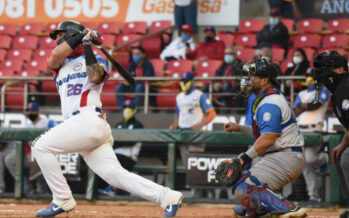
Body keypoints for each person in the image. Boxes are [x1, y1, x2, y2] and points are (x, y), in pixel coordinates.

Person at [32, 20, 183, 217]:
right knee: (115, 175)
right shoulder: (59, 64)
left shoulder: (97, 59)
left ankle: (62, 199)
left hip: (88, 119)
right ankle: (168, 197)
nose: (56, 41)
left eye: (60, 36)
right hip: (82, 126)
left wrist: (86, 45)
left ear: (70, 35)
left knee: (40, 146)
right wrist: (84, 35)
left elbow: (95, 77)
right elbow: (55, 56)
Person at [220, 58, 307, 217]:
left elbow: (268, 138)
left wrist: (241, 159)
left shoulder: (270, 102)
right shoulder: (269, 98)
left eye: (251, 76)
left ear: (265, 80)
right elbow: (264, 132)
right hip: (285, 155)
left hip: (285, 156)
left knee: (244, 187)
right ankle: (258, 208)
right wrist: (239, 128)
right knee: (246, 201)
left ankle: (287, 208)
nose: (246, 80)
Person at [312, 51, 349, 218]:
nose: (323, 73)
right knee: (344, 156)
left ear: (340, 69)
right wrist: (342, 145)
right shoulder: (341, 89)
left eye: (328, 68)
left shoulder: (345, 89)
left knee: (347, 158)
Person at [169, 71, 216, 197]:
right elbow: (178, 112)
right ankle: (197, 192)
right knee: (187, 165)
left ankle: (201, 193)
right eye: (182, 81)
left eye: (186, 81)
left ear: (192, 81)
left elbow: (212, 113)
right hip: (182, 132)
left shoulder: (199, 95)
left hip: (196, 134)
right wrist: (175, 124)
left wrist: (200, 125)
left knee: (196, 165)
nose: (184, 83)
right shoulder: (179, 96)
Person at [293, 69, 330, 202]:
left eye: (311, 76)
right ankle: (314, 196)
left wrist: (302, 106)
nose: (309, 78)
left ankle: (324, 158)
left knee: (310, 160)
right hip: (301, 130)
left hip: (315, 129)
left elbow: (314, 105)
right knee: (305, 165)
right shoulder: (302, 93)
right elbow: (296, 110)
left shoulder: (324, 90)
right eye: (308, 76)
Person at [4, 102, 54, 195]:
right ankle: (27, 189)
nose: (30, 113)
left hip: (45, 154)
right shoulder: (28, 124)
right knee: (10, 160)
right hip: (30, 155)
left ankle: (42, 192)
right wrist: (27, 153)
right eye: (28, 111)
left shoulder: (47, 122)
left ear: (38, 111)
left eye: (32, 111)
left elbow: (57, 134)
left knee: (40, 163)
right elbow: (25, 142)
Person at [98, 100, 143, 196]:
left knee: (113, 163)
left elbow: (131, 143)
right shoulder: (118, 125)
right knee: (101, 161)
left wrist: (118, 142)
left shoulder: (138, 125)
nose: (127, 110)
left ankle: (113, 188)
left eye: (129, 108)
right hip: (116, 154)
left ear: (134, 110)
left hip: (129, 157)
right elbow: (111, 140)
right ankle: (119, 190)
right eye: (125, 108)